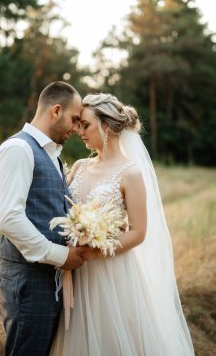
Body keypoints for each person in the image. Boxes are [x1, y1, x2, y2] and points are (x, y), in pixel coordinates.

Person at [50, 93, 195, 356]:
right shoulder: (80, 167)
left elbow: (139, 232)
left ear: (106, 126)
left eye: (86, 125)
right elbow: (64, 210)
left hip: (112, 270)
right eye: (79, 124)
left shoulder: (131, 172)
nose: (79, 131)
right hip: (77, 266)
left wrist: (98, 250)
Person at [0, 81, 87, 356]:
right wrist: (60, 255)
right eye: (74, 119)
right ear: (56, 110)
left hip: (45, 279)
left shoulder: (51, 154)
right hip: (27, 280)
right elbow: (9, 218)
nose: (77, 129)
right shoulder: (18, 150)